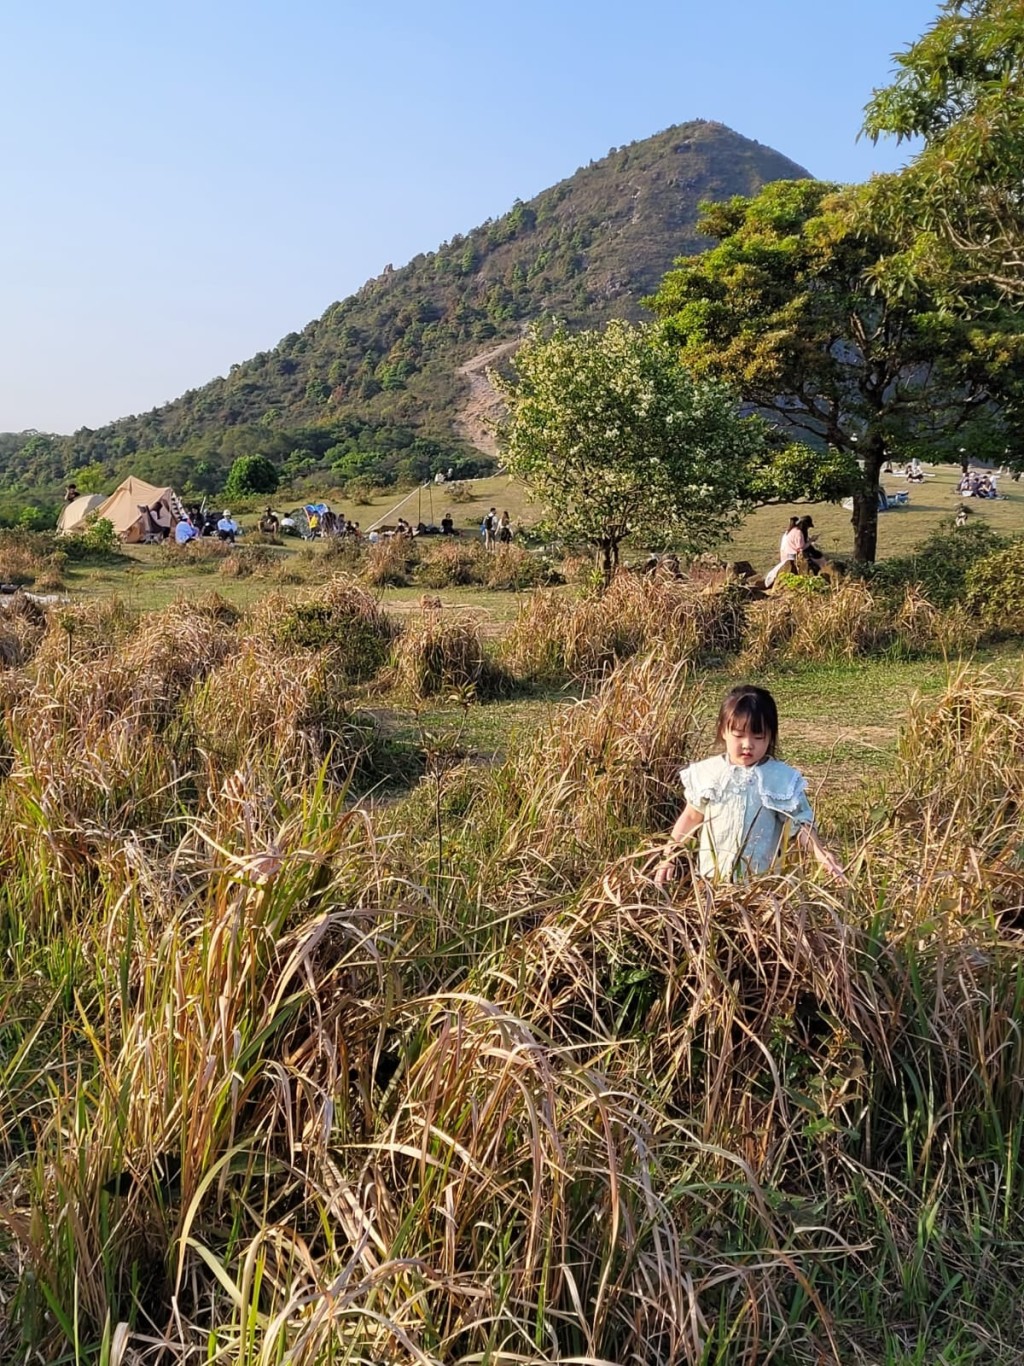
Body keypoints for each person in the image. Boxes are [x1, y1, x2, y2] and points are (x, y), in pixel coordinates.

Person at [653, 685, 846, 886]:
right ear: (723, 731)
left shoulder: (781, 780)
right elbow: (692, 816)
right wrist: (670, 855)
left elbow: (800, 826)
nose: (747, 744)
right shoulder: (708, 773)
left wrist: (822, 855)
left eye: (758, 737)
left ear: (771, 736)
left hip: (761, 886)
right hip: (711, 884)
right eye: (738, 735)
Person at [764, 516, 804, 588]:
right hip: (793, 555)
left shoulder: (787, 532)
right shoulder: (798, 532)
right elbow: (800, 547)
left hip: (785, 553)